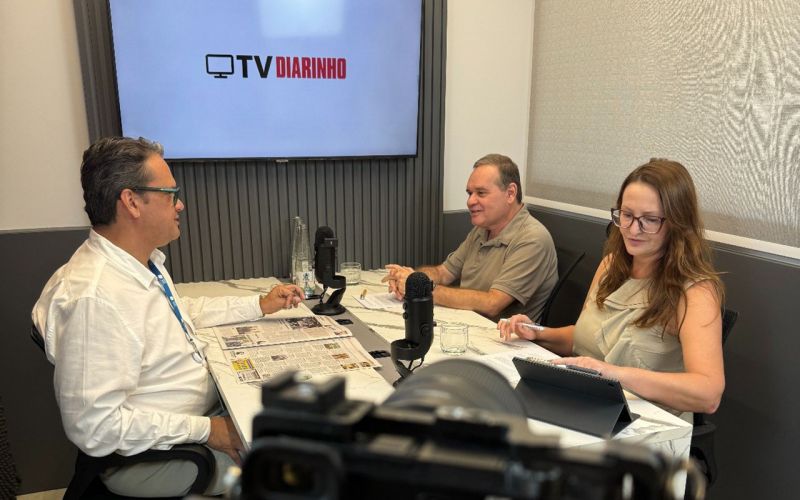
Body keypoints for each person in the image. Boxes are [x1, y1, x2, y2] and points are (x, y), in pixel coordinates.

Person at [31, 137, 305, 497]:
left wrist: (259, 306)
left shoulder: (139, 263)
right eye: (170, 193)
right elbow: (94, 427)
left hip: (194, 420)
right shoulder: (95, 298)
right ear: (131, 202)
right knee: (306, 467)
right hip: (159, 455)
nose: (181, 205)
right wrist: (209, 430)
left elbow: (179, 315)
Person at [499, 159, 725, 415]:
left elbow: (708, 394)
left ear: (677, 223)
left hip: (645, 422)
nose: (632, 229)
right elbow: (589, 338)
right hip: (590, 404)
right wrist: (539, 333)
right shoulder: (611, 265)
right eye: (626, 215)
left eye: (649, 220)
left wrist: (614, 375)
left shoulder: (695, 292)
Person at [383, 154, 557, 322]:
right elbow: (443, 273)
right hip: (466, 327)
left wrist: (420, 288)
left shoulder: (533, 239)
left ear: (510, 193)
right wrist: (412, 279)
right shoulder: (481, 230)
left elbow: (492, 303)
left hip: (501, 343)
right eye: (469, 193)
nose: (470, 201)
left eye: (481, 193)